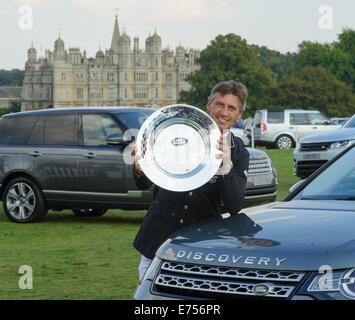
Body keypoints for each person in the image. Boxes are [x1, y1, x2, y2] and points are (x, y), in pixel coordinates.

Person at [131, 80, 250, 280]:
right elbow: (143, 183)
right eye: (219, 104)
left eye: (231, 108)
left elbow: (235, 205)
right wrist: (139, 170)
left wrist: (226, 165)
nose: (224, 112)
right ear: (209, 105)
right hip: (157, 236)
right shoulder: (176, 133)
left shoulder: (239, 153)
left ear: (239, 115)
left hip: (201, 243)